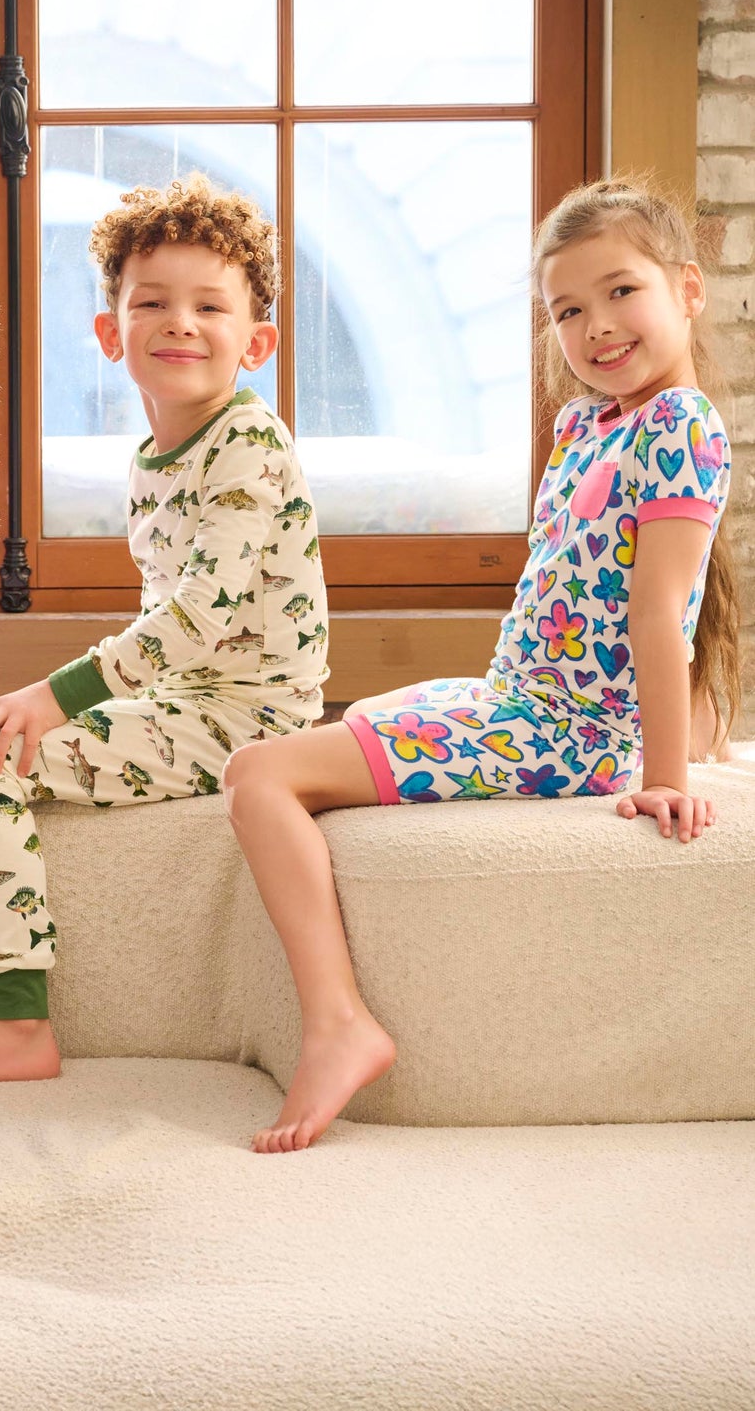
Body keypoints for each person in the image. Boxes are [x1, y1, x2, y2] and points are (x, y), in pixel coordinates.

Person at [222, 177, 738, 1154]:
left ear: (684, 289)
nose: (595, 326)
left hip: (554, 735)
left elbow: (658, 608)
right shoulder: (590, 424)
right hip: (517, 700)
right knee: (337, 729)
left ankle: (337, 1021)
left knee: (257, 777)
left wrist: (663, 776)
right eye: (566, 309)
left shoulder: (677, 427)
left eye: (620, 292)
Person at [0, 175, 329, 1084]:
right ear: (110, 333)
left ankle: (15, 1021)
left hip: (248, 720)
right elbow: (168, 616)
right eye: (151, 303)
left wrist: (57, 695)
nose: (180, 323)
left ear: (256, 341)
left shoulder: (249, 440)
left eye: (209, 306)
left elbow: (198, 613)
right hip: (189, 699)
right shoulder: (152, 458)